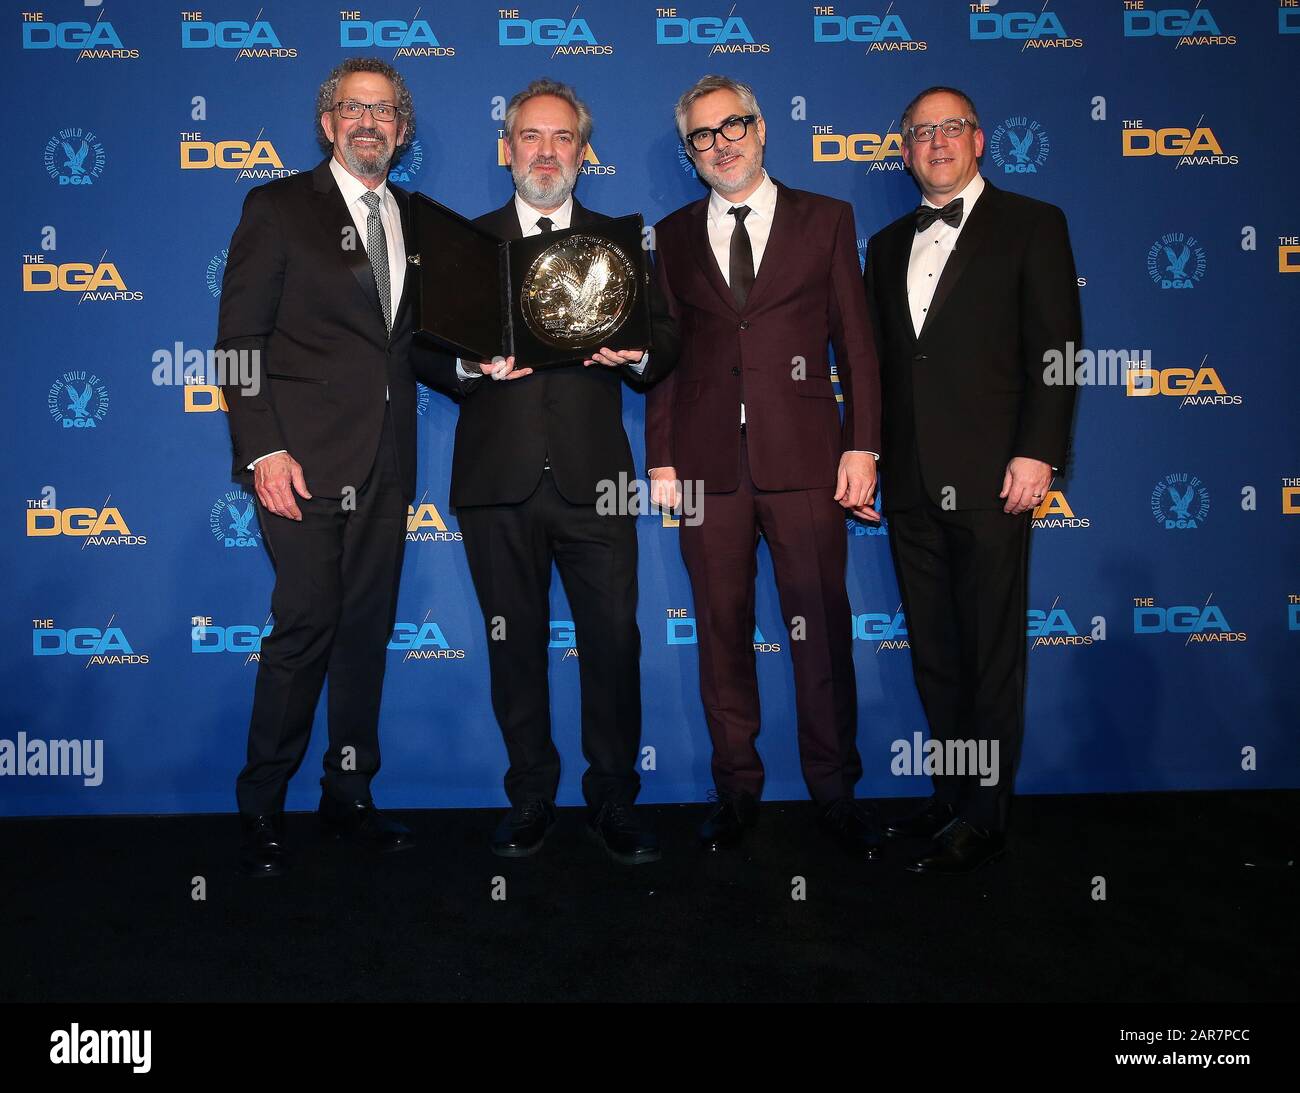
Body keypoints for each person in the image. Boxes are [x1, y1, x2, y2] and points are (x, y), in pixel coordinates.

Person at [421, 79, 680, 865]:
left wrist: (635, 350)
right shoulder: (466, 244)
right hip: (496, 483)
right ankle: (531, 795)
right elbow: (423, 349)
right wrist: (472, 363)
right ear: (506, 149)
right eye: (529, 136)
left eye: (561, 137)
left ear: (581, 151)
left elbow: (667, 340)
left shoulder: (621, 242)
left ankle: (613, 800)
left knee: (613, 644)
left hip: (595, 481)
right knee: (514, 646)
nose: (544, 151)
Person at [645, 75, 883, 857]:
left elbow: (857, 342)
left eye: (733, 125)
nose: (722, 143)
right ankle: (737, 788)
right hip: (708, 468)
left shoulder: (827, 220)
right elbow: (666, 359)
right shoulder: (672, 235)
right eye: (703, 136)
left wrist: (863, 442)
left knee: (820, 635)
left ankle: (835, 790)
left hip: (811, 461)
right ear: (690, 152)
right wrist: (661, 459)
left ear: (762, 128)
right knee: (720, 634)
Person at [217, 58, 439, 876]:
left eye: (384, 112)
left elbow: (421, 345)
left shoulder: (418, 218)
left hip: (388, 467)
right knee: (305, 626)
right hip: (301, 467)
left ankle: (349, 797)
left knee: (363, 635)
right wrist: (262, 448)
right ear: (327, 123)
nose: (369, 122)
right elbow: (239, 344)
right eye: (354, 108)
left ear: (403, 130)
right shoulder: (276, 208)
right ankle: (262, 804)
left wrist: (482, 370)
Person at [863, 86, 1081, 873]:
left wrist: (1040, 452)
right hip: (914, 483)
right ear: (905, 148)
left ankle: (986, 814)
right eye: (920, 132)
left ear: (980, 139)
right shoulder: (886, 245)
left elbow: (1055, 351)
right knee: (936, 650)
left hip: (996, 479)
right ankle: (950, 793)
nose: (937, 142)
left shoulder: (1033, 224)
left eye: (951, 128)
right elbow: (884, 368)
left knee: (989, 655)